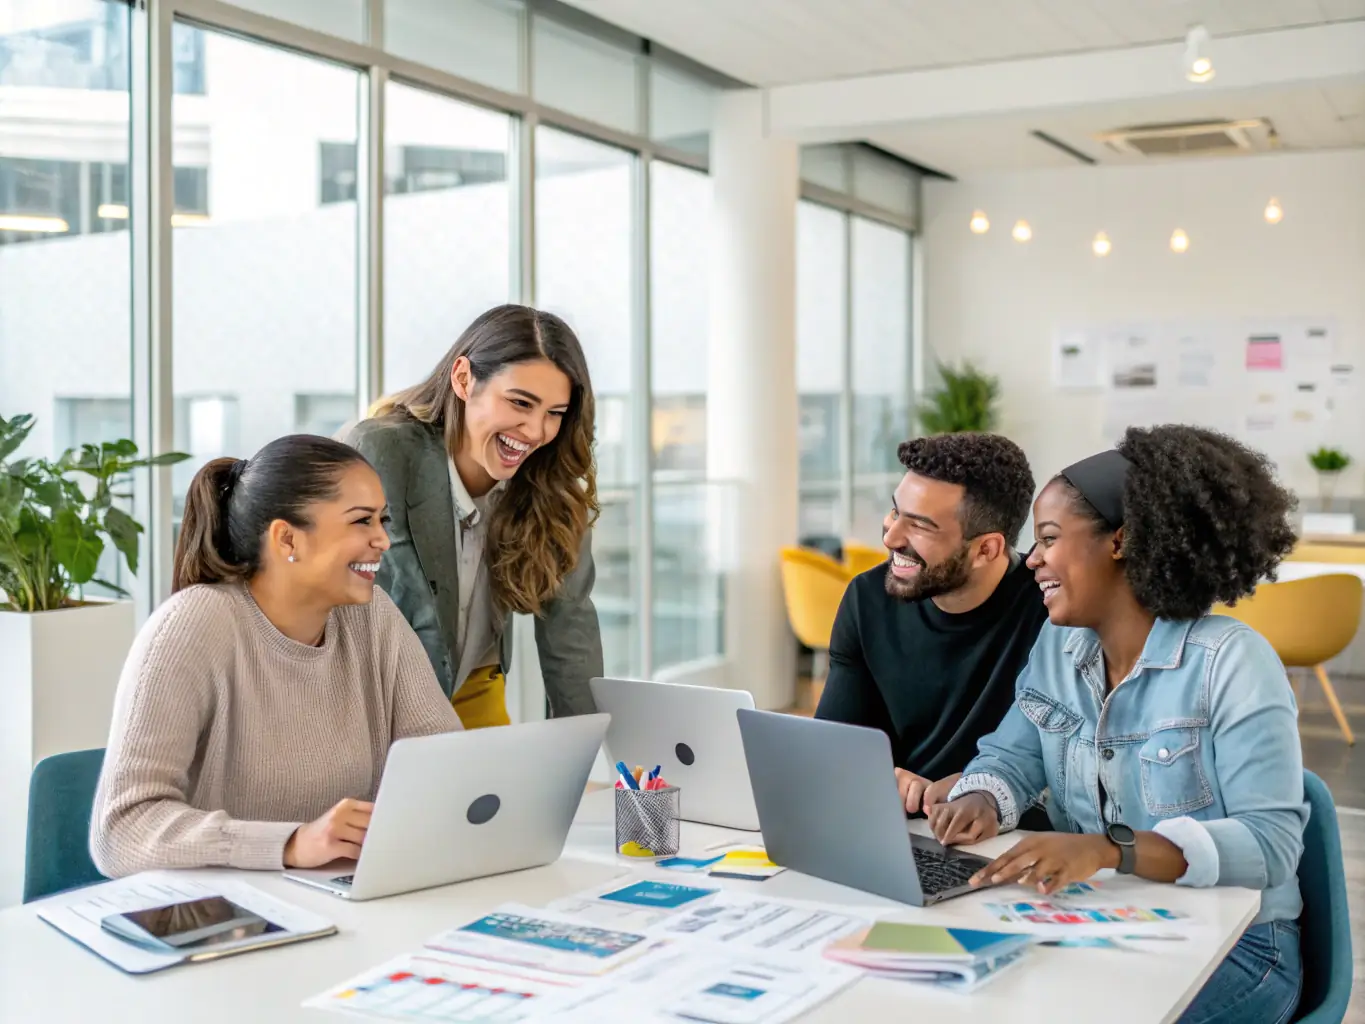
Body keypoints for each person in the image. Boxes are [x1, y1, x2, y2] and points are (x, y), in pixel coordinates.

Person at [929, 425, 1304, 1024]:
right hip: (1106, 920)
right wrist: (981, 796)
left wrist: (1109, 851)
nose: (1034, 560)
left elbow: (1272, 846)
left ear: (1121, 542)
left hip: (1238, 946)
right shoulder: (1058, 645)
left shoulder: (1231, 661)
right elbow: (1012, 755)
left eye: (1050, 539)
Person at [90, 436, 464, 878]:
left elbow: (445, 763)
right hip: (222, 913)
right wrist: (290, 843)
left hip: (337, 902)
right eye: (362, 521)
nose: (383, 539)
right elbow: (121, 831)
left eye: (382, 519)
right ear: (287, 537)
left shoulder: (373, 617)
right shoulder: (192, 627)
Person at [342, 304, 601, 729]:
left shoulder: (553, 491)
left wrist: (597, 755)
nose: (536, 431)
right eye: (520, 402)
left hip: (477, 689)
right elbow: (399, 603)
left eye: (554, 413)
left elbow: (570, 637)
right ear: (464, 379)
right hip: (380, 705)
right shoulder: (387, 452)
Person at [814, 432, 1049, 820]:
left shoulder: (1050, 611)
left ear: (986, 549)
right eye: (895, 512)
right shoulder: (868, 598)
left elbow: (1072, 773)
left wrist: (983, 790)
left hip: (1012, 836)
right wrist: (880, 779)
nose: (890, 536)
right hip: (896, 828)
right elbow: (832, 747)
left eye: (919, 526)